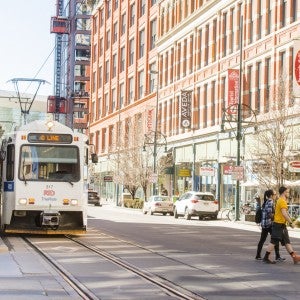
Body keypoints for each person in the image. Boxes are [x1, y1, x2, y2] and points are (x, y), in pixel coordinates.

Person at [263, 186, 300, 264]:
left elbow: (284, 213)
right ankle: (266, 257)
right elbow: (284, 213)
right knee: (273, 241)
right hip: (279, 224)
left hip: (281, 225)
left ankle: (294, 257)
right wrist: (290, 223)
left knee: (287, 242)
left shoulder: (279, 200)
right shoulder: (282, 201)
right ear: (284, 192)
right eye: (287, 192)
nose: (288, 193)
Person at [255, 189, 284, 261]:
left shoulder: (265, 202)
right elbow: (269, 213)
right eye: (274, 194)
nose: (275, 196)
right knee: (275, 239)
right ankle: (277, 256)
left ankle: (258, 255)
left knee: (262, 240)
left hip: (264, 224)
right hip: (269, 224)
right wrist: (275, 217)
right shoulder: (270, 202)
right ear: (271, 195)